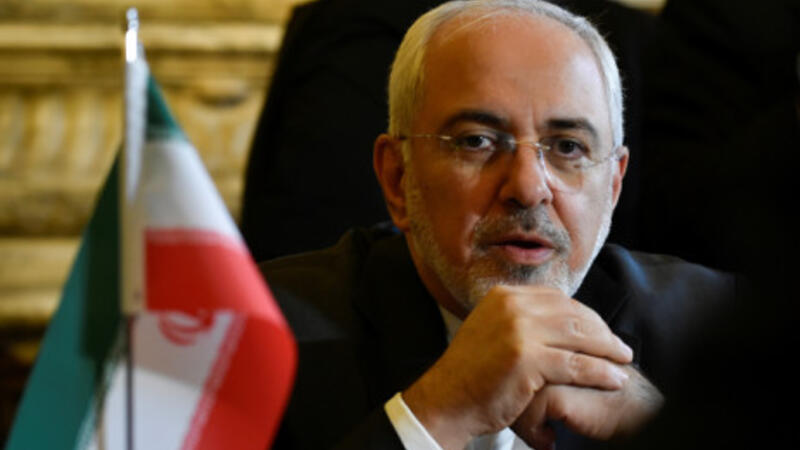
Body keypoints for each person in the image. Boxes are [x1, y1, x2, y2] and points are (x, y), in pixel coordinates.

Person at [261, 1, 733, 449]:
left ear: (613, 186)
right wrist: (436, 413)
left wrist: (660, 432)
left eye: (568, 147)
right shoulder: (261, 334)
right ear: (398, 178)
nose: (528, 188)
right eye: (477, 141)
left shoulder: (716, 330)